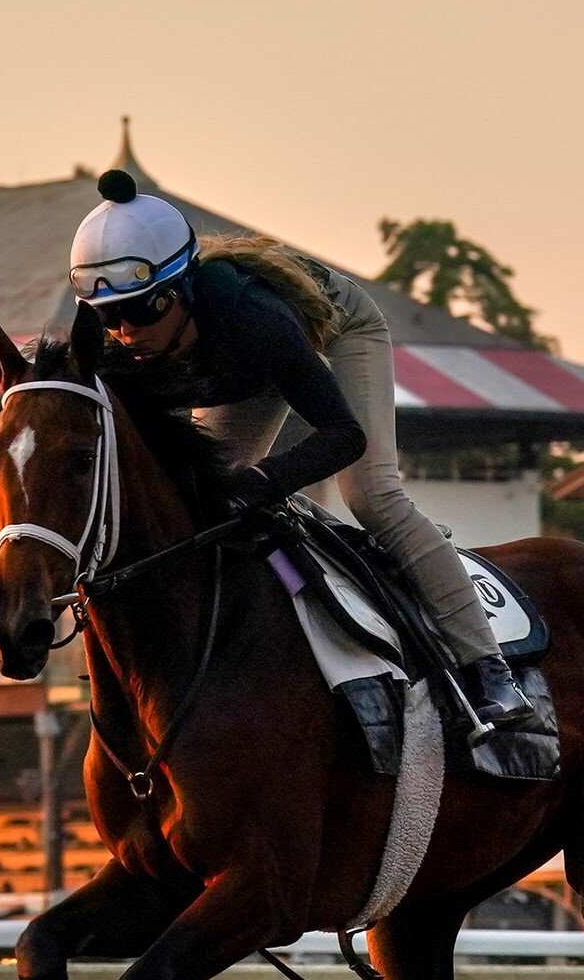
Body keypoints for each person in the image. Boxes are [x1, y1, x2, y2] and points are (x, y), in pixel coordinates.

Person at [68, 167, 527, 731]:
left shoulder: (255, 322)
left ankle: (487, 668)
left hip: (336, 327)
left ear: (181, 289)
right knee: (198, 501)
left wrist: (267, 480)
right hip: (234, 368)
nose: (123, 331)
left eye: (140, 310)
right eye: (107, 314)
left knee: (373, 495)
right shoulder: (116, 342)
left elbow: (344, 435)